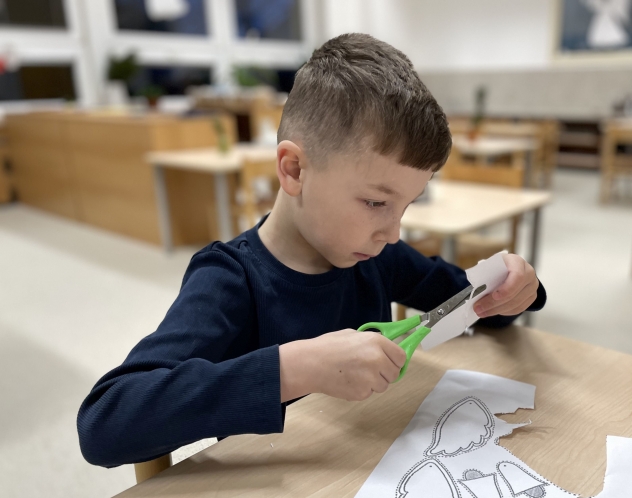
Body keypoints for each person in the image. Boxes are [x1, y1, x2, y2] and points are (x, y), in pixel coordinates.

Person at [77, 33, 546, 468]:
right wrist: (295, 369)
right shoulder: (229, 279)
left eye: (406, 205)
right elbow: (105, 422)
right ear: (294, 170)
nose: (392, 233)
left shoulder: (376, 256)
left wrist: (514, 285)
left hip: (363, 475)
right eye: (376, 203)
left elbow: (470, 304)